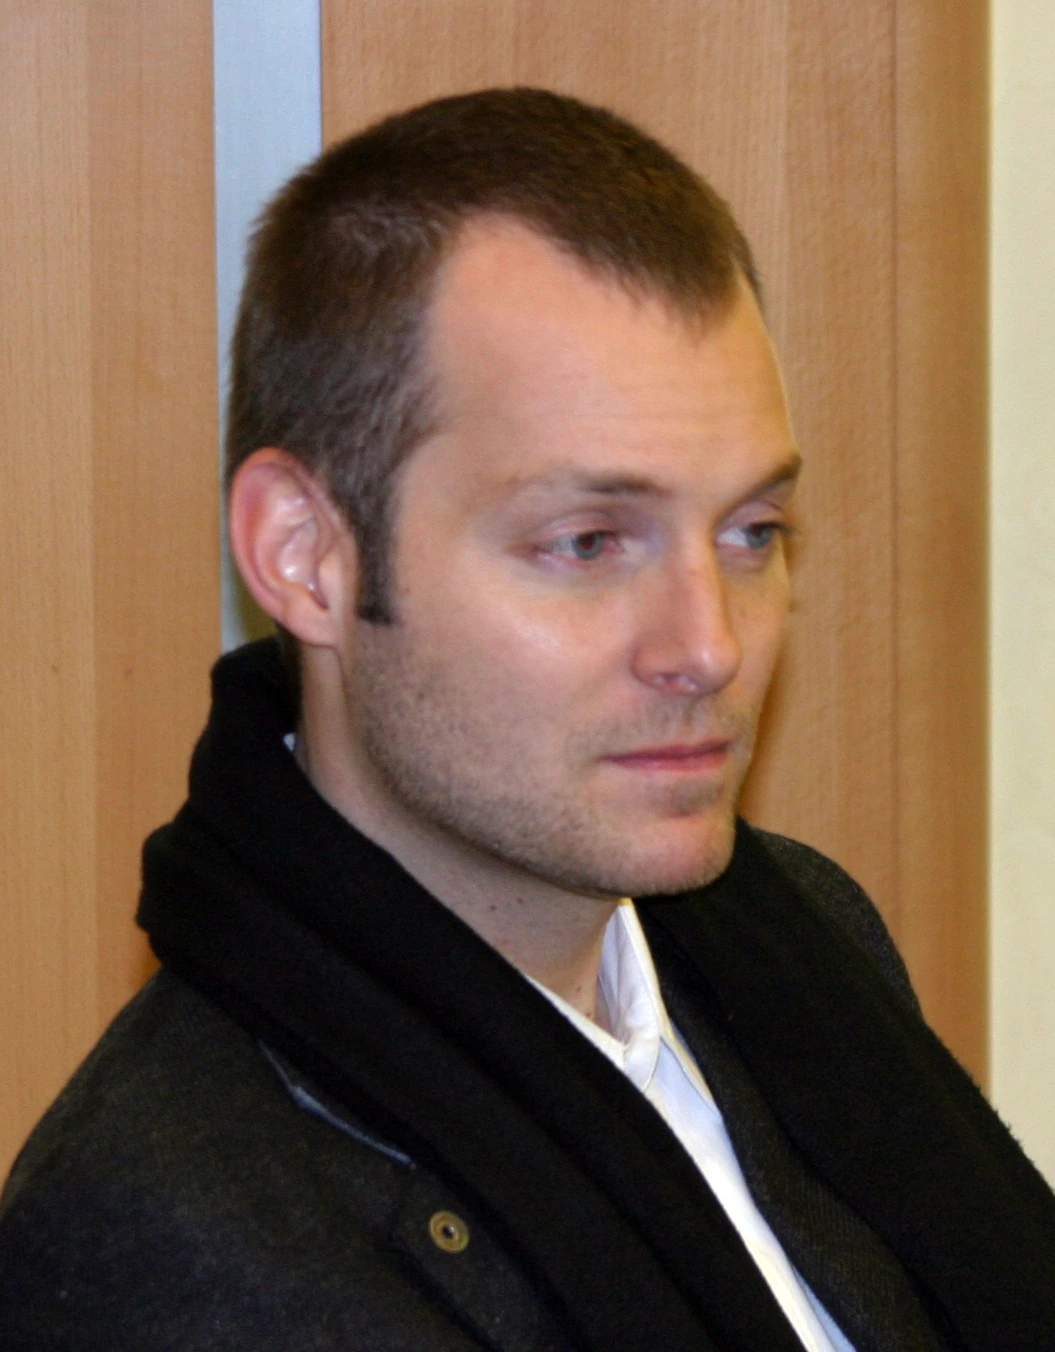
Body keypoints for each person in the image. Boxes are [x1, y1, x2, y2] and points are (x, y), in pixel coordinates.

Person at [1, 88, 1053, 1352]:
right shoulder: (165, 1243)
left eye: (749, 531)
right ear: (305, 554)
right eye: (588, 541)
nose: (709, 646)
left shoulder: (798, 942)